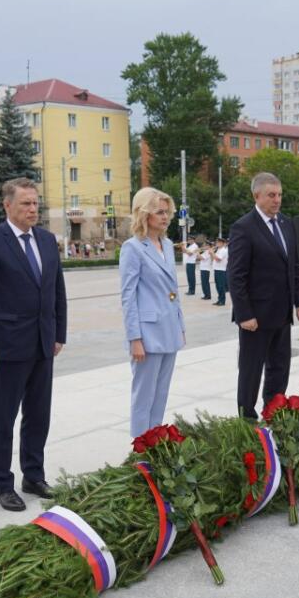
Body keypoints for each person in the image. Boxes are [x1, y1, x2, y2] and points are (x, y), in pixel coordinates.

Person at [0, 177, 67, 512]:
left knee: (39, 414)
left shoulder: (47, 240)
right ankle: (1, 482)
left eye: (35, 203)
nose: (32, 209)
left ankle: (33, 475)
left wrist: (58, 333)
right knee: (4, 417)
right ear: (7, 205)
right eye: (25, 203)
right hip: (7, 347)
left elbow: (56, 290)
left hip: (42, 343)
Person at [228, 172, 299, 419]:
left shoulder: (286, 224)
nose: (277, 200)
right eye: (271, 195)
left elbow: (294, 265)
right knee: (251, 370)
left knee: (279, 367)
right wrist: (244, 314)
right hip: (256, 318)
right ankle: (247, 418)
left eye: (280, 195)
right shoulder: (244, 227)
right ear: (257, 196)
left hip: (282, 313)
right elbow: (236, 275)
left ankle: (273, 412)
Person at [119, 187, 185, 436]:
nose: (165, 217)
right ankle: (139, 450)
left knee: (161, 394)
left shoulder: (166, 244)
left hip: (169, 330)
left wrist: (180, 327)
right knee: (143, 397)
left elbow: (173, 291)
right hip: (147, 335)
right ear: (144, 214)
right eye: (159, 212)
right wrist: (134, 338)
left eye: (167, 212)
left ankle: (155, 444)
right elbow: (128, 296)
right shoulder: (133, 248)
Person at [212, 237, 229, 306]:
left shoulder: (223, 250)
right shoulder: (218, 250)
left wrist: (212, 253)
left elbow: (218, 259)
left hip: (221, 270)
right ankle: (219, 299)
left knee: (221, 286)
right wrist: (212, 253)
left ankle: (222, 301)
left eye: (218, 242)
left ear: (222, 243)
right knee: (217, 286)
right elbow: (214, 258)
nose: (217, 243)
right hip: (217, 269)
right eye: (216, 242)